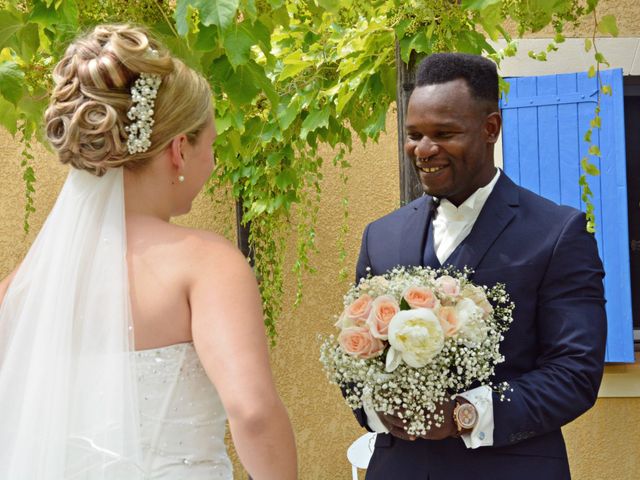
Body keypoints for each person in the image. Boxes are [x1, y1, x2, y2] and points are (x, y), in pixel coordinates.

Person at [0, 24, 297, 480]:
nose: (212, 164)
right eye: (211, 145)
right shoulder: (206, 264)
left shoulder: (28, 283)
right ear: (179, 150)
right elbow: (253, 412)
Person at [352, 53, 607, 480]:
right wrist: (377, 409)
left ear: (490, 129)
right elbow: (355, 358)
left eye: (444, 133)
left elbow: (574, 372)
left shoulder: (557, 232)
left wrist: (463, 415)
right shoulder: (381, 236)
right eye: (414, 134)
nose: (424, 150)